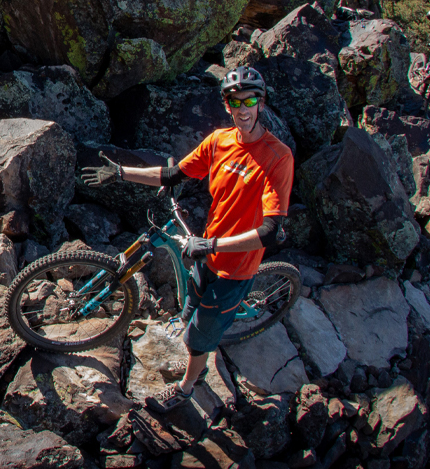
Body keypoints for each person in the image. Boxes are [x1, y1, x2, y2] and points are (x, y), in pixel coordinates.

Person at [80, 66, 294, 414]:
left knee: (198, 339)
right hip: (207, 251)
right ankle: (200, 333)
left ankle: (188, 387)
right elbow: (173, 173)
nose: (243, 109)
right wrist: (120, 173)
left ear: (261, 102)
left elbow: (269, 231)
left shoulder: (277, 156)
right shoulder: (220, 141)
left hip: (235, 268)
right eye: (235, 101)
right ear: (227, 104)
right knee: (190, 309)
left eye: (251, 100)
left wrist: (211, 246)